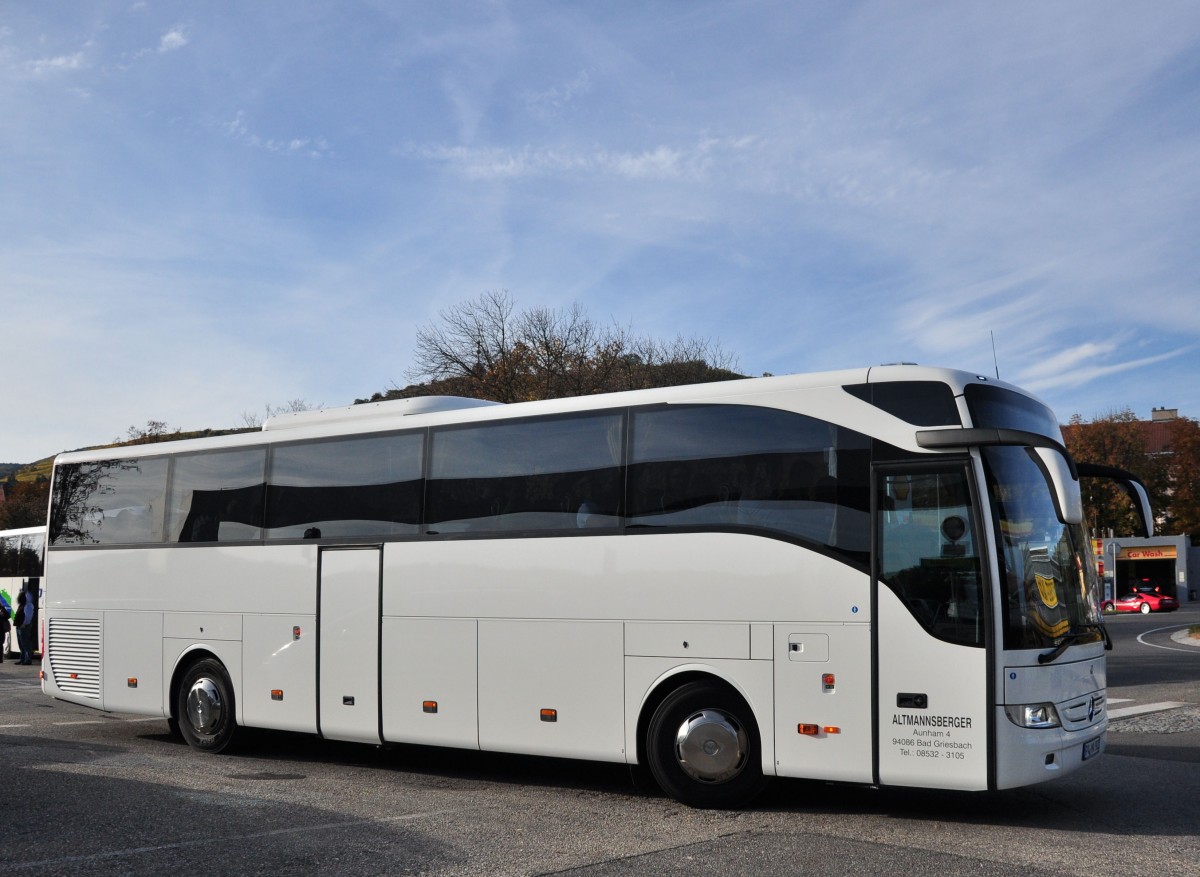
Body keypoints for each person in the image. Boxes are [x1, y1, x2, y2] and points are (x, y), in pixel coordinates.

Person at [14, 589, 34, 665]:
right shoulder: (22, 605)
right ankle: (22, 658)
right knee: (21, 643)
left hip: (24, 626)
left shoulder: (28, 605)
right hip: (19, 626)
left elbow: (28, 616)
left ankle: (27, 659)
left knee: (25, 643)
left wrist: (24, 624)